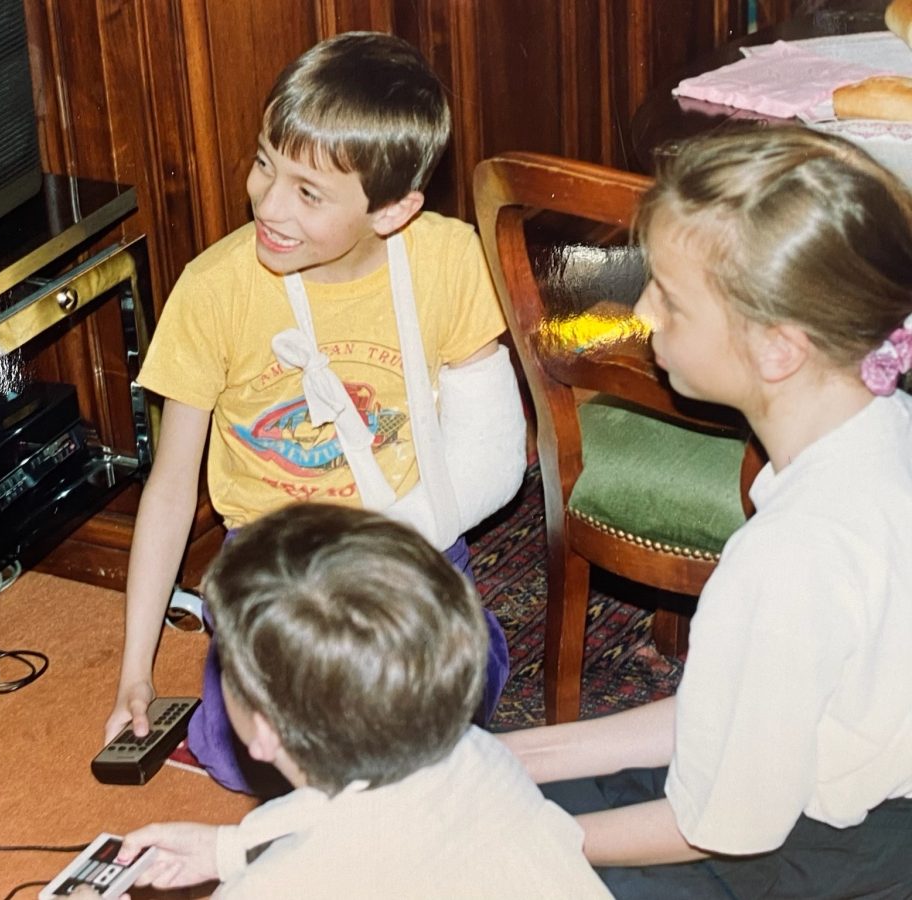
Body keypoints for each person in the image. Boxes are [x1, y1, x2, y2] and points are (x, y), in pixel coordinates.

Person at [105, 31, 526, 793]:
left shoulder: (449, 256)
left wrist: (410, 549)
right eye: (266, 162)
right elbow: (170, 488)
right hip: (276, 569)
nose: (267, 204)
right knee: (251, 758)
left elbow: (496, 450)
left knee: (444, 713)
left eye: (309, 192)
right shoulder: (213, 289)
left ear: (394, 209)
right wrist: (135, 669)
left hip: (410, 536)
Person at [500, 125, 912, 898]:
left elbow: (722, 828)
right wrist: (528, 755)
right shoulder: (881, 429)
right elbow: (741, 707)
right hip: (856, 814)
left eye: (672, 299)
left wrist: (507, 836)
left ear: (779, 349)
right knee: (512, 779)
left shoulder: (789, 560)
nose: (644, 313)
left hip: (820, 865)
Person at [99, 503, 609, 899]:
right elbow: (359, 819)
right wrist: (226, 849)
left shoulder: (273, 889)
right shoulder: (478, 756)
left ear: (264, 730)